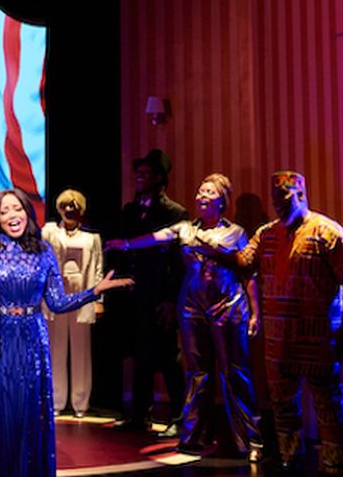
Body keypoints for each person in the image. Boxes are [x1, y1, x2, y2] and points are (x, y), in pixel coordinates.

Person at [0, 189, 132, 477]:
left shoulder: (43, 251)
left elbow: (58, 303)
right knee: (2, 422)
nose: (12, 215)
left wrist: (95, 292)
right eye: (4, 212)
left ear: (28, 214)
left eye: (18, 208)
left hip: (32, 339)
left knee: (29, 423)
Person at [107, 173, 262, 457]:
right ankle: (194, 436)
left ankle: (251, 440)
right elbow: (156, 237)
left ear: (221, 200)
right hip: (192, 307)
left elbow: (248, 273)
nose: (201, 195)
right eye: (200, 190)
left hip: (228, 307)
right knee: (197, 374)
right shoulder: (185, 229)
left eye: (209, 191)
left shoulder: (236, 233)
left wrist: (255, 312)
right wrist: (126, 244)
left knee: (234, 373)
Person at [242, 171, 343, 477]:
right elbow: (245, 265)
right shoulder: (267, 234)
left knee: (328, 403)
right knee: (282, 403)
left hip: (321, 336)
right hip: (280, 338)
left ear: (300, 195)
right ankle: (289, 460)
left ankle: (334, 467)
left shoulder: (328, 232)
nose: (279, 208)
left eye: (284, 200)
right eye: (275, 202)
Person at [107, 149, 186, 435]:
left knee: (167, 356)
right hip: (133, 294)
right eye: (138, 170)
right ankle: (140, 415)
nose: (139, 175)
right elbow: (118, 251)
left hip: (159, 293)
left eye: (146, 171)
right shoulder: (129, 210)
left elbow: (178, 263)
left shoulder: (174, 213)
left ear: (159, 177)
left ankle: (179, 417)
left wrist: (170, 299)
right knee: (139, 354)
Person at [42, 189, 103, 418]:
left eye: (74, 206)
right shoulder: (49, 232)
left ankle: (80, 403)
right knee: (56, 348)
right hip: (56, 294)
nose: (69, 210)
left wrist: (98, 300)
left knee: (81, 349)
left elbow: (97, 269)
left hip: (82, 293)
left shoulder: (91, 238)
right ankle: (56, 401)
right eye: (65, 206)